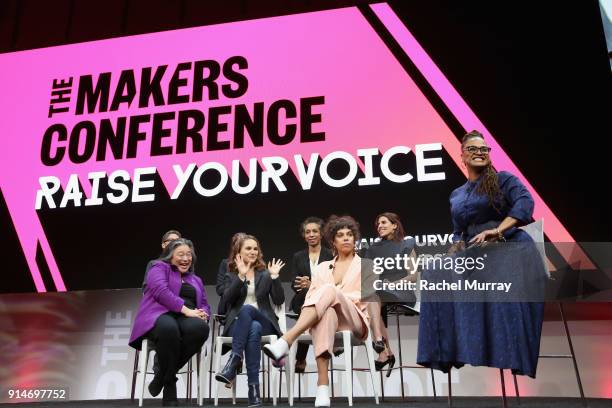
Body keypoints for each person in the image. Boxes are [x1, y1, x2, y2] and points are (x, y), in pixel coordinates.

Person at [416, 130, 546, 378]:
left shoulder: (504, 180)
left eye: (484, 149)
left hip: (508, 245)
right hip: (474, 252)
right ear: (462, 156)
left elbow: (525, 204)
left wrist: (497, 231)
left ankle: (508, 351)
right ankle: (448, 350)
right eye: (473, 149)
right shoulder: (457, 194)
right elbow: (458, 231)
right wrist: (456, 245)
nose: (479, 153)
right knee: (434, 271)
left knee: (497, 273)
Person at [263, 215, 370, 408]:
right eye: (340, 235)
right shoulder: (322, 268)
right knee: (326, 314)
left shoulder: (366, 265)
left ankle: (287, 339)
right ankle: (322, 387)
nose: (346, 238)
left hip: (354, 318)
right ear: (333, 241)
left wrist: (335, 294)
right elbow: (311, 299)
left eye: (349, 235)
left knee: (329, 290)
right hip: (329, 317)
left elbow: (364, 298)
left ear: (355, 239)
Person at [129, 238, 211, 406]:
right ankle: (170, 389)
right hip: (159, 313)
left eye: (189, 254)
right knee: (169, 328)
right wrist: (187, 310)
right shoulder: (158, 267)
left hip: (186, 317)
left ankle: (162, 376)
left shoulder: (196, 279)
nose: (186, 258)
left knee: (201, 329)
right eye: (180, 254)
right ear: (170, 256)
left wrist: (204, 314)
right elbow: (161, 292)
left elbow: (204, 303)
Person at [215, 234, 286, 407]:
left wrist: (275, 277)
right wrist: (240, 277)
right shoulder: (231, 273)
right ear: (238, 251)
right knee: (252, 328)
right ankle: (253, 391)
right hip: (238, 324)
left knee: (249, 311)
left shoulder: (264, 273)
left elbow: (278, 300)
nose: (253, 251)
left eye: (255, 248)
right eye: (248, 248)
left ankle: (234, 361)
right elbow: (227, 300)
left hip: (266, 322)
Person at [364, 212, 417, 376]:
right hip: (379, 292)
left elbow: (413, 276)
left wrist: (392, 284)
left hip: (402, 291)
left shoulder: (407, 244)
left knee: (372, 299)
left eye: (384, 222)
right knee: (369, 301)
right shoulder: (372, 249)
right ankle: (384, 351)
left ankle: (383, 351)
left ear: (395, 225)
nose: (379, 226)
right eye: (378, 224)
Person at [289, 217, 334, 373]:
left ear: (321, 234)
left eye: (315, 231)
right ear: (304, 235)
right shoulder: (298, 256)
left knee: (319, 306)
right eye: (307, 232)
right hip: (302, 299)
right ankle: (330, 346)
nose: (311, 234)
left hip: (325, 299)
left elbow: (333, 282)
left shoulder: (331, 255)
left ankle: (301, 357)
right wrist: (304, 285)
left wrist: (313, 285)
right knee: (307, 304)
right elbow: (294, 283)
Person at [216, 232, 247, 316]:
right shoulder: (226, 263)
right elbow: (219, 289)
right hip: (230, 305)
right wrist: (235, 286)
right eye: (237, 245)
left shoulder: (253, 264)